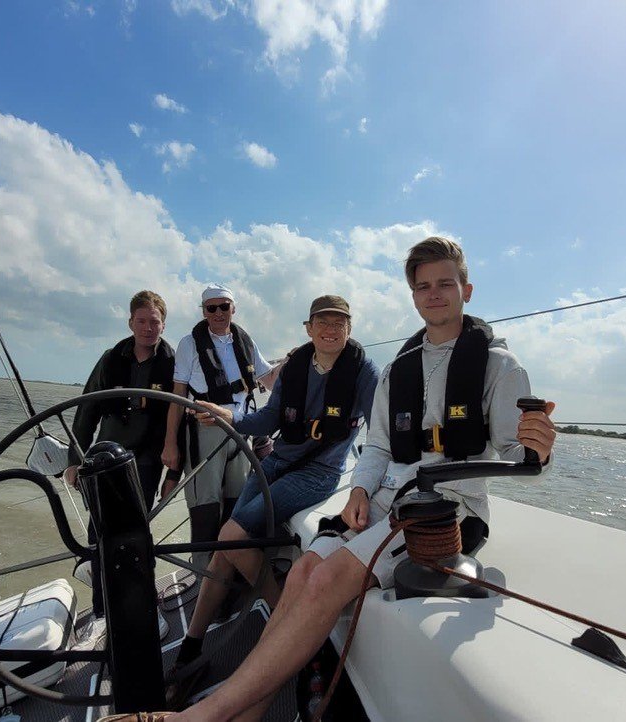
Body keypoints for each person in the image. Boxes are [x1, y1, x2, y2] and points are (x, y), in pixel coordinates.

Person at [160, 237, 558, 722]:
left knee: (324, 577)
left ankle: (201, 717)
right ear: (413, 295)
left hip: (447, 508)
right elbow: (379, 447)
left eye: (445, 284)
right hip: (385, 497)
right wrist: (360, 490)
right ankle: (246, 712)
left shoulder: (500, 367)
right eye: (424, 286)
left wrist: (538, 451)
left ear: (466, 290)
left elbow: (520, 459)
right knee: (302, 571)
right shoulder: (399, 370)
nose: (434, 294)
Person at [167, 295, 379, 693]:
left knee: (231, 534)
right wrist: (230, 416)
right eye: (323, 322)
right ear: (309, 328)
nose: (331, 329)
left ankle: (287, 621)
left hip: (318, 473)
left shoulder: (364, 370)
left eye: (340, 323)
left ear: (349, 329)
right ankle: (191, 646)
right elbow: (268, 417)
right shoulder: (295, 366)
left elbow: (381, 430)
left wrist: (368, 485)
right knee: (225, 547)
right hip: (278, 461)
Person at [64, 289, 180, 616]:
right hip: (104, 459)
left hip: (146, 460)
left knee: (135, 533)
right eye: (141, 321)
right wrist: (74, 461)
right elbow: (86, 413)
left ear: (163, 324)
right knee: (98, 534)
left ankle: (142, 607)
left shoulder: (173, 364)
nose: (148, 328)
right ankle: (102, 612)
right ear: (130, 323)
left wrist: (173, 473)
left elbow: (180, 424)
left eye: (154, 322)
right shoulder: (110, 359)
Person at [162, 284, 273, 570]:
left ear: (233, 309)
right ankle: (203, 576)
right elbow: (177, 396)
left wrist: (301, 360)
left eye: (224, 306)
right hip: (205, 432)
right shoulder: (189, 344)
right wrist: (170, 443)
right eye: (211, 308)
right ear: (204, 312)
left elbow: (271, 380)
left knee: (237, 507)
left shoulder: (246, 341)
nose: (218, 313)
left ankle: (229, 576)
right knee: (205, 509)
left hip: (241, 431)